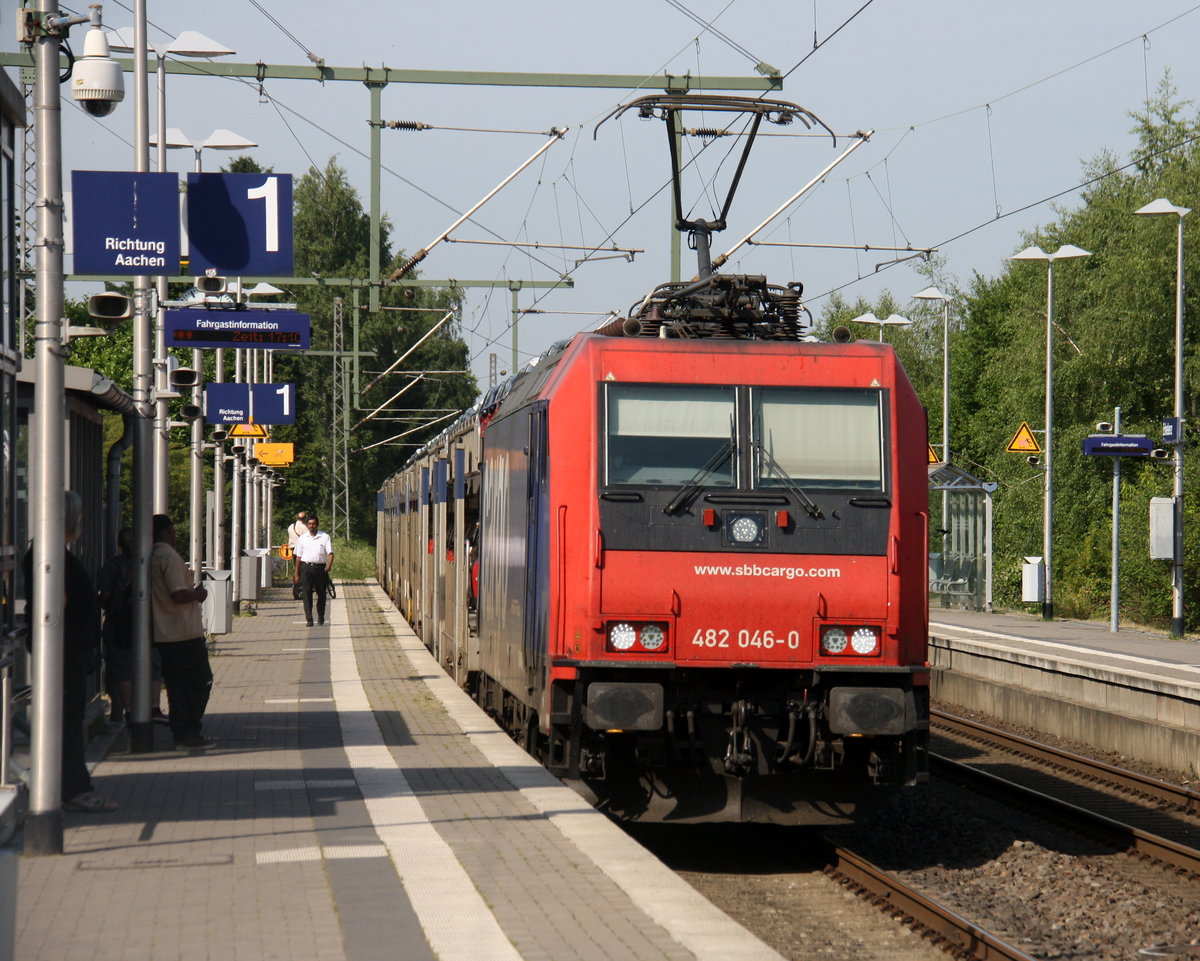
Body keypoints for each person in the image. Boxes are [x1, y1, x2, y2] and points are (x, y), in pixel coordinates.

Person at [22, 491, 117, 812]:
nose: (81, 523)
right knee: (65, 722)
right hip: (61, 653)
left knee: (68, 720)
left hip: (69, 652)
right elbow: (56, 602)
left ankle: (68, 787)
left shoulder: (53, 553)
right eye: (78, 517)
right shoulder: (50, 557)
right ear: (67, 519)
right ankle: (71, 789)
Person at [149, 514, 213, 749]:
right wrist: (198, 594)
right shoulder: (169, 556)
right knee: (200, 682)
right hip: (182, 632)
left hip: (164, 632)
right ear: (167, 531)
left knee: (176, 686)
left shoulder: (152, 555)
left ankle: (182, 732)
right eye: (173, 530)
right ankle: (188, 731)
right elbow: (178, 594)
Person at [97, 526, 168, 728]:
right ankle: (154, 708)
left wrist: (105, 605)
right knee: (154, 665)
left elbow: (105, 596)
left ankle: (129, 711)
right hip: (149, 621)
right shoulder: (150, 563)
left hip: (119, 623)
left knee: (122, 668)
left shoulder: (112, 565)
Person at [292, 513, 333, 627]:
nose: (312, 526)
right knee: (306, 593)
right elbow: (298, 558)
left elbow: (330, 553)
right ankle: (309, 619)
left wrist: (329, 566)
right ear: (307, 525)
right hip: (306, 568)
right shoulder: (302, 538)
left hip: (320, 568)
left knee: (321, 594)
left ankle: (320, 616)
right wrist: (296, 573)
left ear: (317, 525)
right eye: (309, 524)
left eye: (314, 524)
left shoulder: (324, 537)